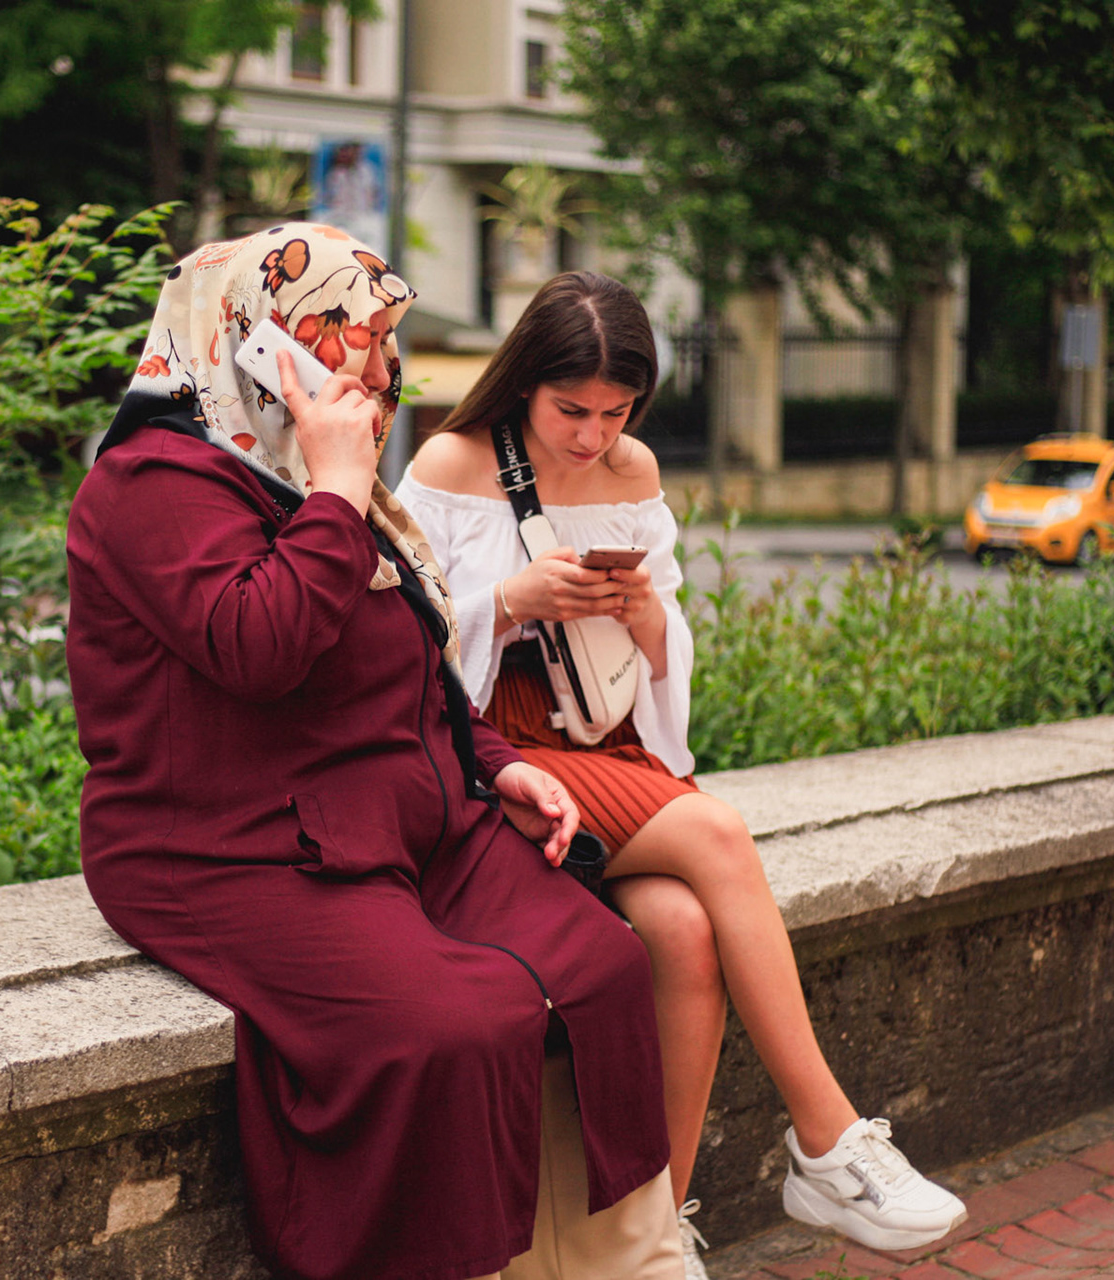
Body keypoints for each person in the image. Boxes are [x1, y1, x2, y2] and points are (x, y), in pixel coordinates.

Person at [66, 228, 685, 1280]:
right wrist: (337, 492)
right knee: (455, 1022)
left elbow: (403, 660)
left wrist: (496, 762)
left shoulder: (318, 477)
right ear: (261, 347)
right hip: (234, 847)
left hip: (402, 818)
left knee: (604, 965)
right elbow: (260, 646)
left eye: (386, 341)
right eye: (353, 338)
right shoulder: (151, 486)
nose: (383, 370)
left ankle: (623, 1267)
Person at [394, 271, 969, 1270]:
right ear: (524, 381)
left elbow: (665, 645)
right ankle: (829, 1141)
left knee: (685, 929)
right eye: (571, 410)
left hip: (602, 742)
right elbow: (394, 646)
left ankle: (655, 1233)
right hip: (494, 751)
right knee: (716, 829)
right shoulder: (451, 459)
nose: (590, 435)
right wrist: (511, 599)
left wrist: (641, 614)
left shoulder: (633, 470)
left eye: (616, 412)